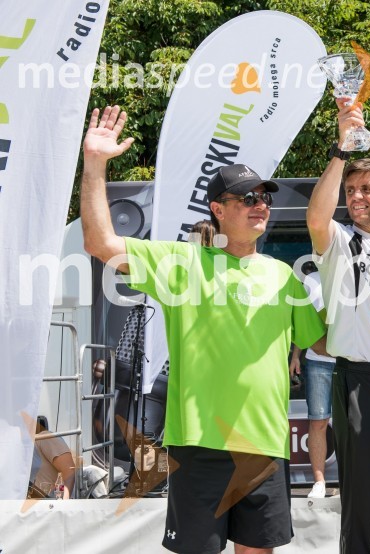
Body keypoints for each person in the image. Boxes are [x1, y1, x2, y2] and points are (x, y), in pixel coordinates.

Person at [81, 106, 326, 554]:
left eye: (264, 198)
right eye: (247, 198)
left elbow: (325, 341)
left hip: (264, 443)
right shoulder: (181, 262)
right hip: (199, 442)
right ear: (217, 209)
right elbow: (100, 242)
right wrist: (95, 164)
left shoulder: (284, 276)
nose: (260, 206)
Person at [306, 98, 370, 553]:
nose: (355, 197)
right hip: (359, 381)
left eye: (366, 190)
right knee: (361, 502)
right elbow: (316, 216)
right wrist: (341, 149)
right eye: (350, 191)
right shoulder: (339, 240)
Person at [289, 261, 336, 499]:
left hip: (355, 359)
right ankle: (319, 481)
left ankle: (355, 479)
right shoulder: (311, 280)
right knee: (318, 421)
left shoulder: (354, 275)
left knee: (355, 425)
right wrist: (296, 355)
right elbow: (303, 321)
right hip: (318, 360)